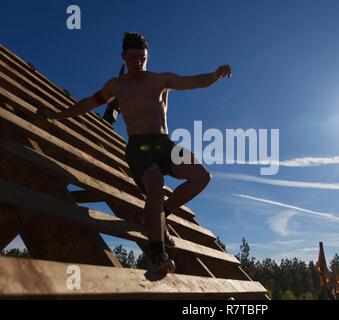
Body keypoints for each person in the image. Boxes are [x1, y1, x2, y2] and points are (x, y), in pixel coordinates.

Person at [38, 32, 232, 273]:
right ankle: (158, 254)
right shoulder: (116, 85)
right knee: (155, 184)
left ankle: (162, 214)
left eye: (143, 58)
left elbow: (191, 81)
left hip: (164, 144)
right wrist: (57, 115)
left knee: (202, 176)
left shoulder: (160, 80)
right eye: (133, 58)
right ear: (123, 57)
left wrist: (215, 75)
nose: (138, 63)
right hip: (139, 148)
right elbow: (88, 103)